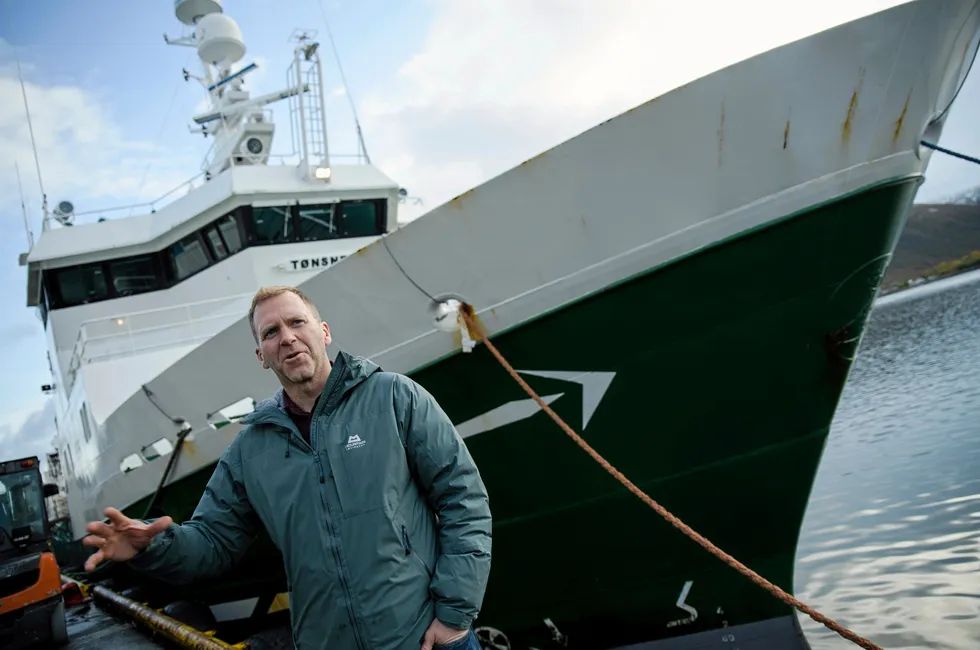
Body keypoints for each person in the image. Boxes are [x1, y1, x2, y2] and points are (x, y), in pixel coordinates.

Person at [82, 285, 492, 650]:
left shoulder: (395, 398)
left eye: (297, 322)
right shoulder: (250, 449)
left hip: (423, 636)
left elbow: (462, 498)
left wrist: (454, 615)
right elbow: (212, 543)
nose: (288, 338)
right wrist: (151, 547)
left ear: (324, 331)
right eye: (271, 332)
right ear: (261, 356)